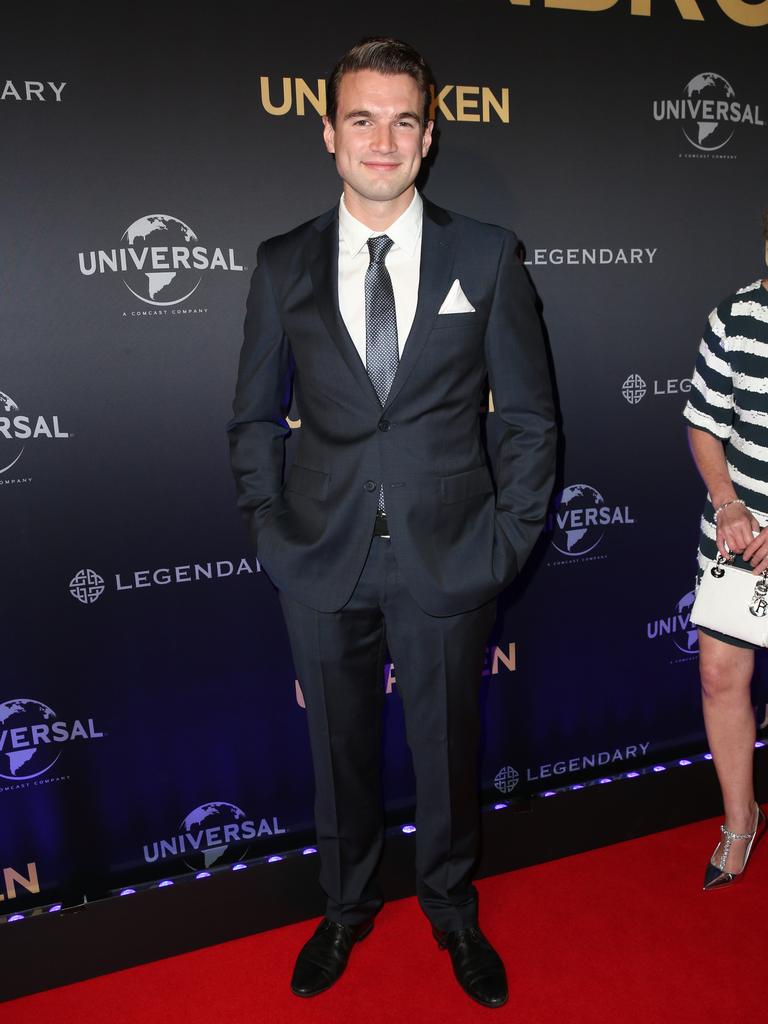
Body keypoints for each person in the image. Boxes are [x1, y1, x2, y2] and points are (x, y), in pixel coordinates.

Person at [228, 37, 556, 1007]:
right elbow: (252, 414)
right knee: (337, 752)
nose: (382, 139)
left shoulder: (485, 253)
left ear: (429, 135)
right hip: (319, 555)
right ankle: (344, 904)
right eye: (361, 118)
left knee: (450, 751)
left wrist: (507, 537)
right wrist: (268, 526)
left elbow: (531, 418)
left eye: (402, 119)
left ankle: (451, 907)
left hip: (451, 552)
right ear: (329, 133)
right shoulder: (282, 260)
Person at [684, 211, 768, 890]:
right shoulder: (736, 316)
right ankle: (740, 821)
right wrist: (727, 501)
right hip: (740, 537)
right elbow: (706, 426)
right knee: (720, 677)